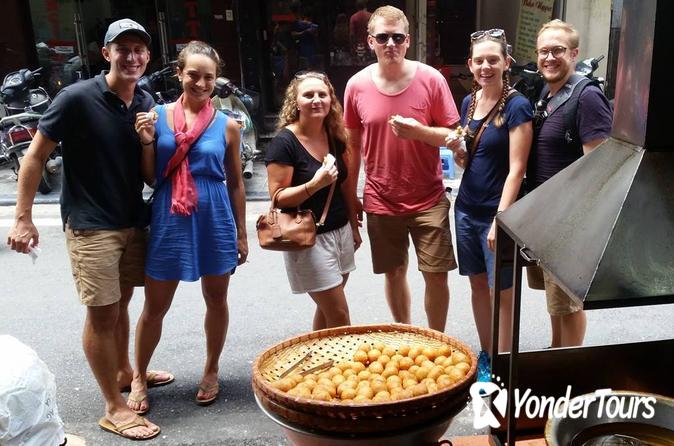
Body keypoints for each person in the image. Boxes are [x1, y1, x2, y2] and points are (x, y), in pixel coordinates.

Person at [6, 19, 165, 440]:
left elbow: (147, 171)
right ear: (106, 53)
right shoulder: (75, 98)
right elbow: (35, 157)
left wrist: (148, 141)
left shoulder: (145, 99)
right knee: (101, 313)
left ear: (148, 56)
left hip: (132, 219)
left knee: (122, 302)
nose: (131, 57)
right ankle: (113, 406)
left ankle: (124, 371)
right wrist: (23, 217)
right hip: (91, 225)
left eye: (139, 50)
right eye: (122, 49)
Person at [127, 41, 248, 414]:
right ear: (179, 73)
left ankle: (211, 370)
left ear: (216, 79)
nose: (201, 83)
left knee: (217, 299)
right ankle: (138, 375)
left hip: (214, 216)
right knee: (155, 305)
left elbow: (236, 183)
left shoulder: (228, 125)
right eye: (193, 74)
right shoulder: (156, 116)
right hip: (170, 215)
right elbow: (151, 177)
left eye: (208, 77)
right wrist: (146, 143)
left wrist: (241, 233)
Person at [343, 6, 460, 332]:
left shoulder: (431, 79)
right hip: (381, 198)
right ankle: (405, 335)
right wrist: (351, 198)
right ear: (370, 41)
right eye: (383, 37)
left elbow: (454, 136)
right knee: (393, 272)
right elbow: (352, 147)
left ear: (408, 40)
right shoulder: (356, 85)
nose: (390, 44)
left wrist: (419, 132)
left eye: (397, 37)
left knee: (436, 274)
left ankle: (435, 341)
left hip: (429, 197)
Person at [445, 29, 532, 380]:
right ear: (470, 64)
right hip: (466, 209)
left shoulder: (517, 105)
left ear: (506, 62)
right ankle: (488, 355)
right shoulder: (469, 102)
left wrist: (501, 219)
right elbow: (469, 160)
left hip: (497, 214)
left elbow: (517, 169)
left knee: (503, 292)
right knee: (478, 286)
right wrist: (458, 152)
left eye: (493, 60)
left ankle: (505, 364)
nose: (486, 66)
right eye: (479, 60)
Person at [526, 19, 612, 348]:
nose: (549, 58)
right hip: (545, 216)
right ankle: (556, 351)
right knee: (556, 299)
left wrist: (582, 225)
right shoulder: (547, 94)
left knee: (569, 302)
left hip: (570, 221)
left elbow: (599, 168)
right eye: (543, 51)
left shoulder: (586, 97)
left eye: (558, 51)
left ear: (574, 54)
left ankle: (570, 365)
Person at [265, 71, 361, 330]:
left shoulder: (334, 135)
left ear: (330, 100)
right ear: (296, 102)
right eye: (308, 95)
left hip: (340, 232)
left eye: (322, 94)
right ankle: (342, 358)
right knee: (339, 315)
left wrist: (353, 226)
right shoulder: (285, 142)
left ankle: (316, 354)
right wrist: (315, 184)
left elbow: (344, 186)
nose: (316, 100)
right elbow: (278, 198)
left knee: (328, 310)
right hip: (308, 239)